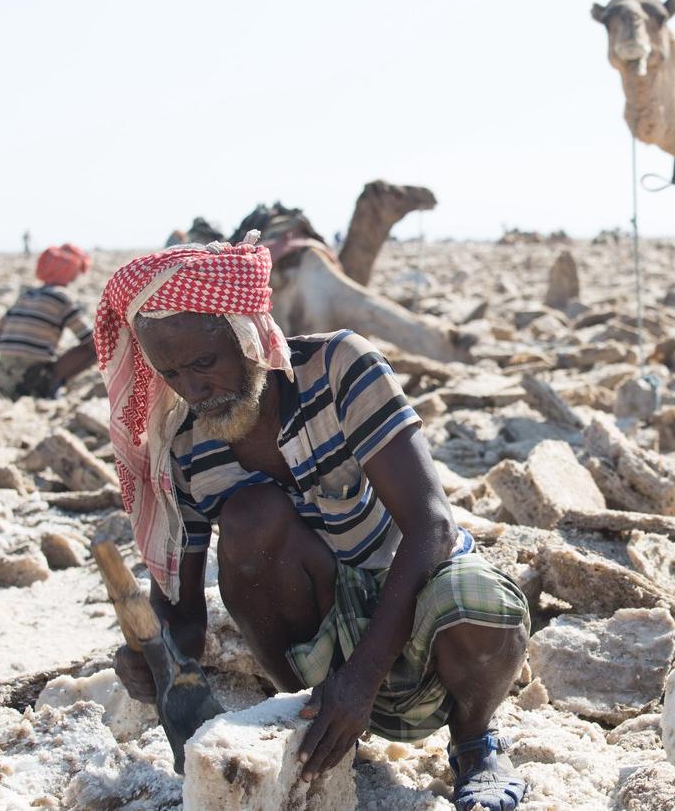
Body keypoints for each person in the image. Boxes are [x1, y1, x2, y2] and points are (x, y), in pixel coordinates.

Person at [98, 235, 528, 810]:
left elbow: (433, 527)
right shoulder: (185, 447)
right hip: (318, 663)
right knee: (251, 515)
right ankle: (304, 721)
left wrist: (362, 680)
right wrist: (157, 660)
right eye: (171, 371)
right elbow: (182, 614)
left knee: (480, 601)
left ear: (248, 334)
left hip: (414, 617)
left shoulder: (339, 368)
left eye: (205, 362)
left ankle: (476, 746)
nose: (194, 388)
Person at [0, 243, 97, 398]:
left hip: (3, 377)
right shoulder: (61, 298)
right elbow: (90, 339)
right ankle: (51, 386)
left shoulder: (27, 295)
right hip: (31, 379)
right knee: (97, 349)